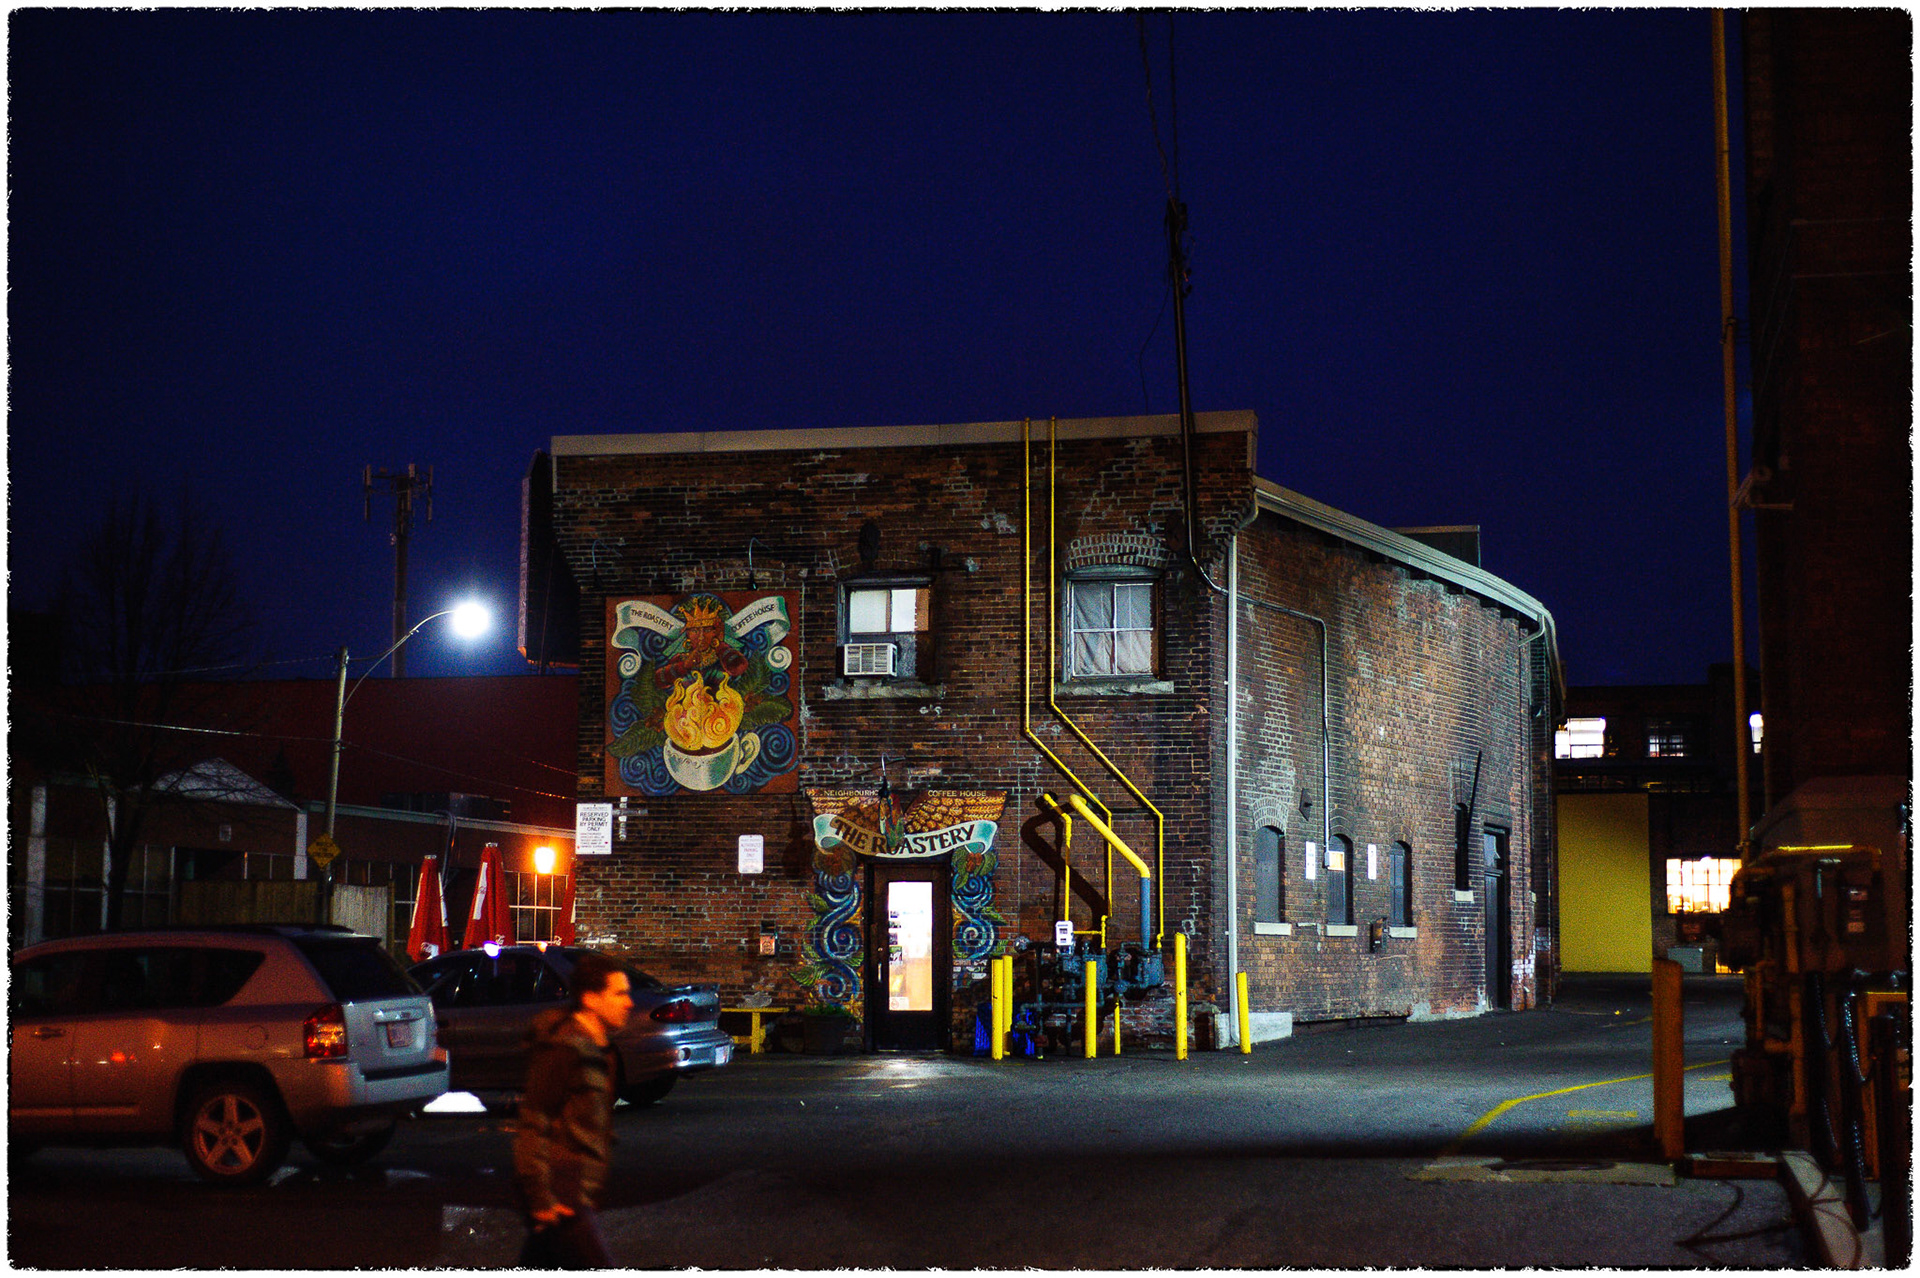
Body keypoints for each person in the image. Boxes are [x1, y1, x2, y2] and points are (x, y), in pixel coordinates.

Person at [513, 953, 633, 1268]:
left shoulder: (604, 1050)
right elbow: (534, 1121)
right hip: (562, 1194)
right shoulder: (564, 1049)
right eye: (619, 994)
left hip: (577, 1191)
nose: (629, 1003)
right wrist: (539, 1197)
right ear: (591, 998)